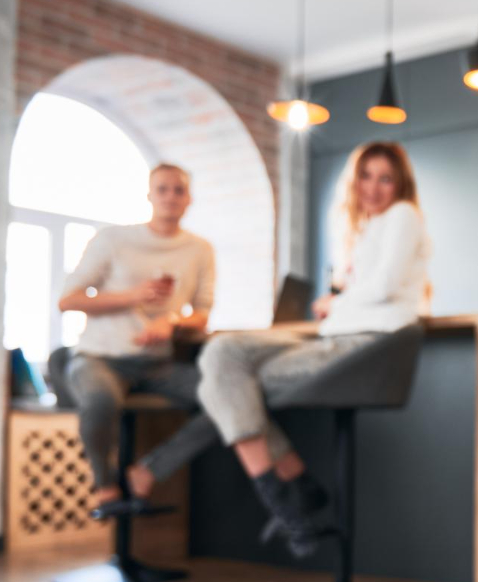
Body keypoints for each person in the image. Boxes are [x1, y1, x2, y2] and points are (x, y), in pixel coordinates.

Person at [196, 141, 432, 558]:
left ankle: (287, 500)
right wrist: (340, 293)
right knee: (222, 354)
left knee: (228, 382)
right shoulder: (363, 231)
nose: (373, 188)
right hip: (337, 337)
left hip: (367, 345)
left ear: (400, 186)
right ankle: (294, 488)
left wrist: (335, 302)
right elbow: (354, 288)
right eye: (366, 176)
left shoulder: (403, 216)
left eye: (385, 178)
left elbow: (384, 287)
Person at [57, 163, 215, 517]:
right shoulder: (113, 240)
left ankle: (148, 471)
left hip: (157, 364)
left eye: (179, 190)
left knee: (225, 398)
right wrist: (132, 296)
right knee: (100, 401)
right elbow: (68, 300)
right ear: (149, 195)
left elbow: (203, 312)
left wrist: (172, 322)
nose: (171, 197)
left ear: (189, 199)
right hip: (100, 356)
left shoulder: (199, 250)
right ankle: (106, 487)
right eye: (163, 189)